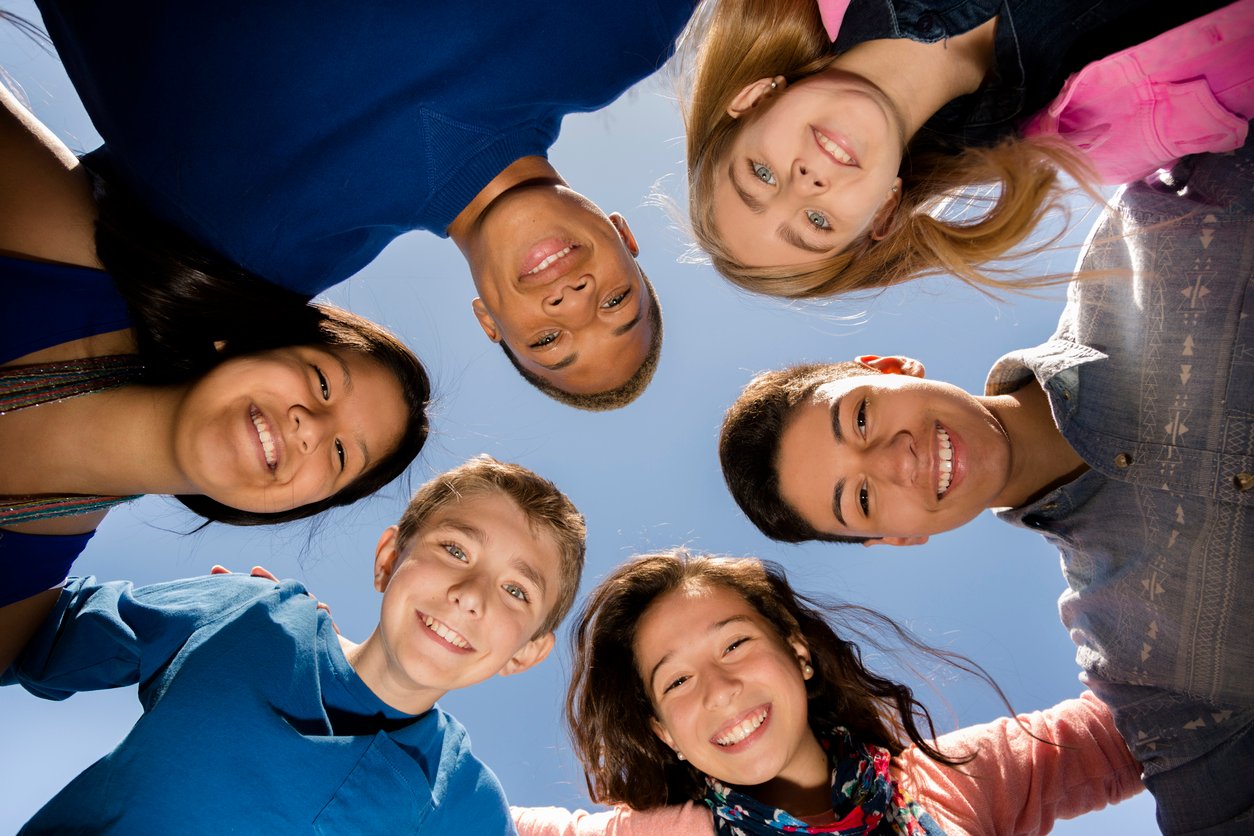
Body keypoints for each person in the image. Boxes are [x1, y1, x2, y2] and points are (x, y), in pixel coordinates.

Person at [719, 146, 1254, 831]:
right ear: (900, 537)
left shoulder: (1156, 230)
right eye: (860, 500)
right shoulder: (1135, 659)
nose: (895, 460)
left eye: (859, 417)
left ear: (891, 366)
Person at [26, 0, 695, 409]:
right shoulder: (625, 26)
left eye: (548, 340)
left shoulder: (254, 253)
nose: (573, 301)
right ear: (623, 235)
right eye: (615, 303)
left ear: (489, 321)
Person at [0, 83, 431, 670]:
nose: (310, 428)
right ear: (247, 337)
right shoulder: (58, 246)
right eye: (323, 383)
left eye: (337, 456)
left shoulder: (14, 602)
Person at [2, 455, 587, 832]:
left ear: (526, 652)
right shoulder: (250, 617)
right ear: (389, 558)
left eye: (516, 591)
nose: (471, 594)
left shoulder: (468, 811)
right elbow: (41, 628)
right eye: (456, 550)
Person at [511, 551, 1143, 835]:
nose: (720, 690)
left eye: (734, 644)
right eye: (676, 681)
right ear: (663, 733)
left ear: (799, 651)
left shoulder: (956, 779)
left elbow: (1153, 721)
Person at [680, 0, 1249, 299]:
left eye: (759, 173)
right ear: (883, 213)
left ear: (754, 98)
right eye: (817, 221)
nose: (806, 182)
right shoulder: (1108, 139)